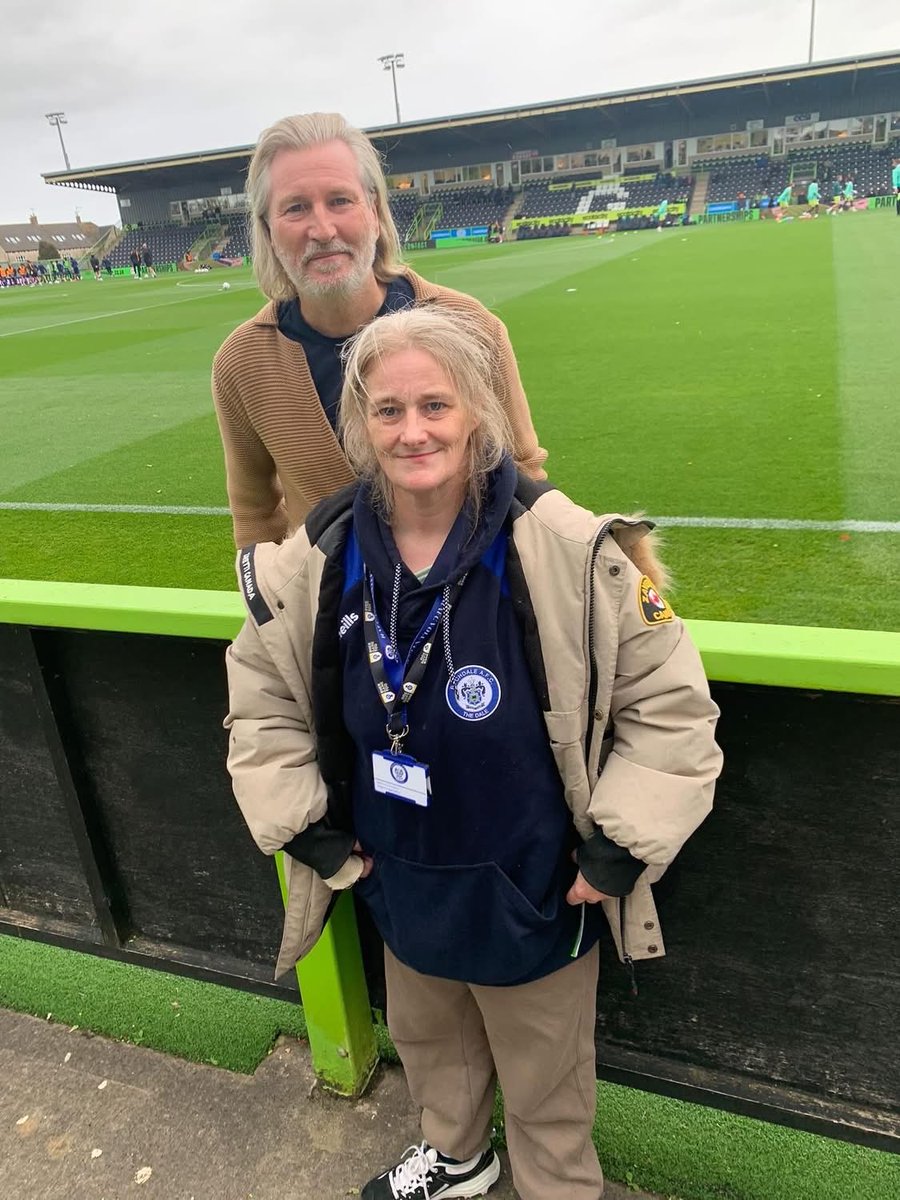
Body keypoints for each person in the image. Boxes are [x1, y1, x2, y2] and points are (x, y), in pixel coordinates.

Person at [224, 306, 723, 1200]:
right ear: (360, 425)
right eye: (387, 411)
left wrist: (615, 854)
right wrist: (310, 832)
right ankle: (457, 1159)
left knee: (547, 1084)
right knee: (431, 1047)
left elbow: (672, 712)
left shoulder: (566, 546)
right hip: (396, 875)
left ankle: (557, 1187)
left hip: (535, 884)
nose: (412, 431)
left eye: (436, 406)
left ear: (478, 414)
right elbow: (259, 699)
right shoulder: (323, 550)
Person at [212, 112, 546, 548]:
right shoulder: (243, 363)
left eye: (340, 200)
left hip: (465, 605)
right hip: (333, 607)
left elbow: (525, 475)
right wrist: (269, 610)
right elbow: (254, 513)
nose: (323, 229)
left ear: (373, 208)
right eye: (296, 208)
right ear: (267, 229)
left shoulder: (473, 329)